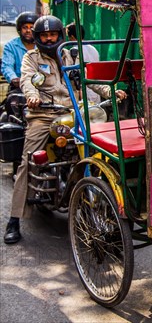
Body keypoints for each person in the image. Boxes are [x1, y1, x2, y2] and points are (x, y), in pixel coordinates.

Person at [3, 16, 126, 244]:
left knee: (103, 146)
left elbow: (90, 79)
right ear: (38, 38)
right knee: (27, 161)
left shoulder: (71, 55)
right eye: (44, 35)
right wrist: (32, 97)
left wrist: (111, 91)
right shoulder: (31, 58)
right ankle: (14, 219)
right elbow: (27, 81)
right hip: (44, 114)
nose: (49, 39)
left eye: (53, 35)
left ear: (60, 35)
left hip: (74, 112)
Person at [1, 12, 38, 91]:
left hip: (42, 86)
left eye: (31, 28)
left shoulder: (42, 45)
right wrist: (13, 78)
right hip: (19, 87)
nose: (28, 30)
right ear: (20, 29)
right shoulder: (11, 46)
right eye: (25, 27)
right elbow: (7, 66)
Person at [66, 22, 101, 104]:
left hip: (85, 90)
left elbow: (76, 75)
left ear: (72, 37)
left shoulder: (73, 51)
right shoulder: (93, 48)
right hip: (96, 88)